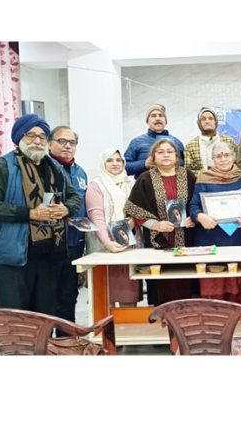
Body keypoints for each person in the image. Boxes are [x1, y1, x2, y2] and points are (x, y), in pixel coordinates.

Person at [0, 114, 81, 316]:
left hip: (50, 255)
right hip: (16, 258)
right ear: (19, 138)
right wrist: (31, 213)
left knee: (44, 317)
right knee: (16, 320)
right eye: (31, 135)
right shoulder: (1, 167)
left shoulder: (55, 168)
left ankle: (42, 348)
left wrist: (66, 209)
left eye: (42, 136)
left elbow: (75, 197)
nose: (37, 141)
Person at [124, 139, 196, 305]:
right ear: (153, 157)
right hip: (156, 240)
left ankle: (186, 319)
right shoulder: (145, 178)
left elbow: (198, 202)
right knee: (159, 281)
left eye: (169, 151)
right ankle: (160, 319)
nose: (165, 155)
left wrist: (193, 217)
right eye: (160, 152)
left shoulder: (189, 176)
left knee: (185, 279)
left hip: (187, 238)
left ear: (176, 156)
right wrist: (155, 224)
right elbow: (132, 208)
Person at [188, 142, 241, 304]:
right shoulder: (203, 178)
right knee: (212, 287)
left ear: (234, 157)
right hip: (209, 240)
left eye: (227, 155)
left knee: (236, 284)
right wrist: (201, 217)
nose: (223, 159)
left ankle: (236, 321)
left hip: (236, 239)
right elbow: (193, 206)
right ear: (212, 160)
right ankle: (213, 322)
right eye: (218, 156)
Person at [85, 148, 142, 307]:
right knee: (104, 297)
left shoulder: (131, 183)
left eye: (119, 160)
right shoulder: (96, 185)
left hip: (129, 242)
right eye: (110, 160)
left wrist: (134, 220)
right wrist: (107, 243)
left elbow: (140, 209)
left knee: (128, 293)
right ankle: (105, 331)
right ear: (103, 164)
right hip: (103, 244)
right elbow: (96, 217)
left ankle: (128, 329)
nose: (115, 163)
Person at [48, 125, 88, 328]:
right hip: (49, 244)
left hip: (74, 243)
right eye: (61, 141)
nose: (67, 146)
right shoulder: (43, 168)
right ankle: (50, 345)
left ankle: (67, 341)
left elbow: (83, 204)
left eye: (71, 142)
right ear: (50, 143)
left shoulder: (80, 172)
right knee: (51, 296)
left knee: (70, 293)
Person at [124, 104, 185, 179]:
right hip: (144, 188)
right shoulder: (136, 142)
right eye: (153, 116)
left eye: (161, 115)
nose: (158, 118)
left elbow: (185, 165)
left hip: (171, 186)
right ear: (147, 121)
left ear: (165, 121)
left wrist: (174, 162)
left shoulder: (177, 142)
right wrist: (144, 164)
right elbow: (124, 167)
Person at [184, 107, 237, 178]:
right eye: (203, 119)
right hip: (202, 186)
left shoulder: (228, 141)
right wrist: (208, 174)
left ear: (216, 121)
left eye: (210, 118)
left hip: (227, 184)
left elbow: (238, 164)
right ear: (199, 123)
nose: (207, 121)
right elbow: (188, 171)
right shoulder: (191, 146)